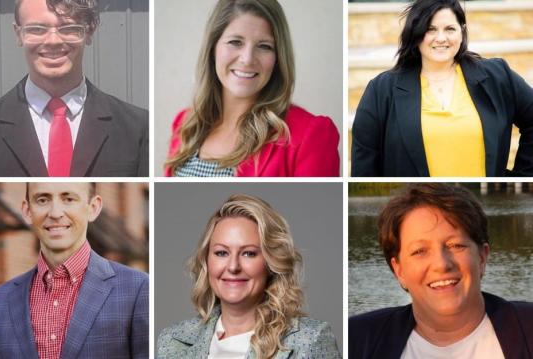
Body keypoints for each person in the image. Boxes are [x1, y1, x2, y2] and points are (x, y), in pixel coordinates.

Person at [0, 0, 148, 177]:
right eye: (37, 29)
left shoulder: (138, 129)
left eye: (68, 28)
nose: (53, 41)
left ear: (89, 31)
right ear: (18, 34)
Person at [351, 0, 533, 177]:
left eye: (450, 29)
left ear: (462, 31)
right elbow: (364, 163)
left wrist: (523, 176)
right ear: (416, 34)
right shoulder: (382, 90)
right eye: (430, 29)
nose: (440, 38)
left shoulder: (497, 75)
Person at [349, 184, 533, 358]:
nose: (441, 264)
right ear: (399, 270)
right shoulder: (356, 341)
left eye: (455, 245)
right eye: (419, 251)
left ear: (482, 256)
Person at [165, 0, 339, 177]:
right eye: (235, 42)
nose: (247, 59)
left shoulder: (311, 135)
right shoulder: (185, 124)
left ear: (278, 58)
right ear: (213, 48)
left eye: (264, 46)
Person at [157, 194, 340, 358]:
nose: (233, 266)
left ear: (271, 262)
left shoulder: (310, 340)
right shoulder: (172, 341)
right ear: (206, 261)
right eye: (221, 253)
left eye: (249, 253)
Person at [0, 182, 148, 358]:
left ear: (93, 207)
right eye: (43, 200)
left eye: (68, 199)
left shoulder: (137, 289)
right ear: (27, 210)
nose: (55, 213)